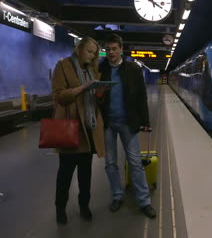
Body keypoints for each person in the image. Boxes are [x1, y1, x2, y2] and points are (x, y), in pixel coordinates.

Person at [97, 33, 156, 218]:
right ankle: (117, 196)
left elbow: (141, 97)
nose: (111, 52)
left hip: (128, 123)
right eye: (108, 49)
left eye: (114, 48)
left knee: (135, 162)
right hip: (108, 123)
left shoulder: (133, 69)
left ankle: (144, 201)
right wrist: (98, 95)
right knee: (110, 163)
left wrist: (145, 121)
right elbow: (95, 97)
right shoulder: (101, 69)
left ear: (121, 49)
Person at [50, 37, 106, 224]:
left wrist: (98, 93)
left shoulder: (92, 70)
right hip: (71, 127)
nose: (92, 56)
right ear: (79, 49)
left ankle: (84, 206)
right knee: (65, 174)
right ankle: (60, 209)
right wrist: (83, 88)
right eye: (89, 51)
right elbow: (59, 96)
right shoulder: (63, 66)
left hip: (88, 129)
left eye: (94, 53)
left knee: (85, 174)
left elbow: (95, 101)